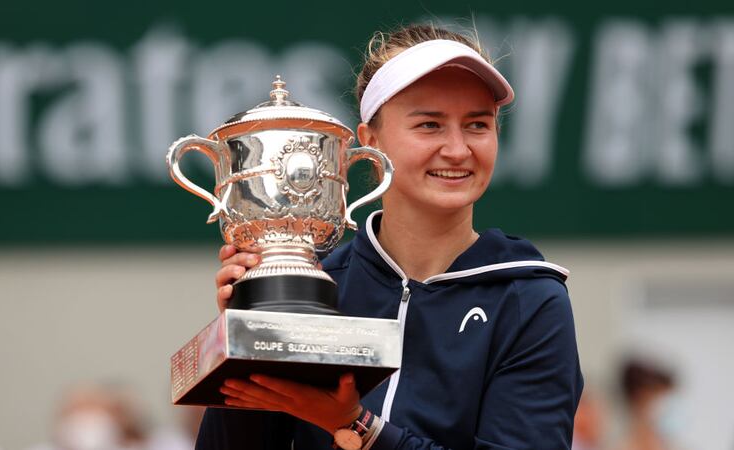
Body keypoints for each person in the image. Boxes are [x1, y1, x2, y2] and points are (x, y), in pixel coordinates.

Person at [197, 24, 583, 449]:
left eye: (477, 125)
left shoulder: (528, 299)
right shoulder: (319, 288)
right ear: (370, 142)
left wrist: (357, 427)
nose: (457, 149)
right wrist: (242, 338)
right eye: (430, 125)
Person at [611, 358, 682, 450]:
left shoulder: (670, 445)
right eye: (663, 397)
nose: (670, 407)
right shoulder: (621, 446)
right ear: (642, 398)